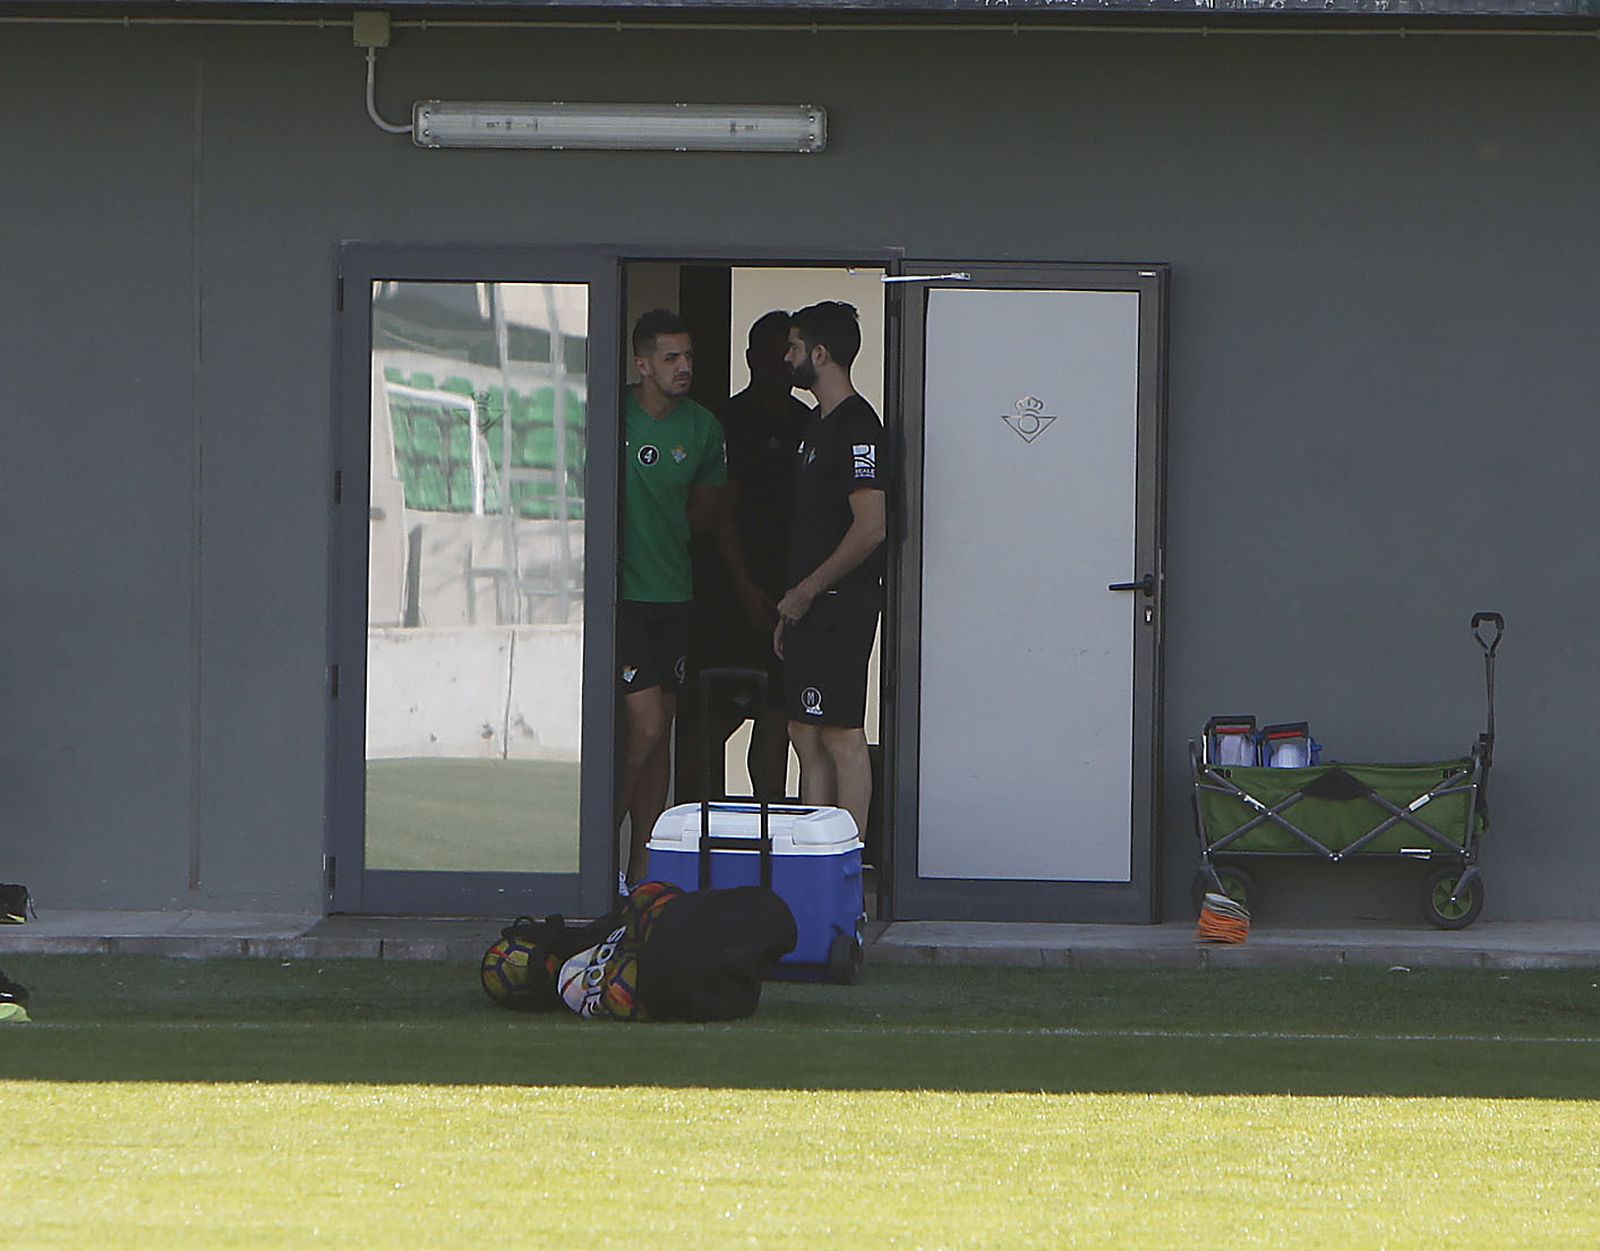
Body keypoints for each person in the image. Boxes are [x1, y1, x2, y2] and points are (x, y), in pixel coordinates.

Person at [619, 309, 729, 891]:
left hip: (675, 598)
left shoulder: (704, 428)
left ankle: (643, 866)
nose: (685, 366)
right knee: (644, 727)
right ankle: (593, 851)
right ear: (642, 365)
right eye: (670, 358)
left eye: (689, 356)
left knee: (662, 731)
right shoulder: (611, 415)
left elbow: (707, 514)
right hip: (622, 599)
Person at [774, 301, 887, 842]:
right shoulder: (813, 428)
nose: (787, 356)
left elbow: (871, 527)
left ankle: (846, 861)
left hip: (842, 604)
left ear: (821, 354)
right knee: (804, 731)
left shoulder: (859, 426)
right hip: (808, 606)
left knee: (841, 733)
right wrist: (794, 602)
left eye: (794, 347)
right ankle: (807, 852)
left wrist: (809, 590)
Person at [698, 310, 812, 799]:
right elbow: (720, 512)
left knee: (779, 713)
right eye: (772, 352)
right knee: (718, 711)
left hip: (795, 591)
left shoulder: (813, 422)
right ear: (750, 358)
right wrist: (742, 586)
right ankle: (703, 820)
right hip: (734, 590)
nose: (783, 363)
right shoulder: (729, 421)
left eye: (789, 352)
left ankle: (770, 825)